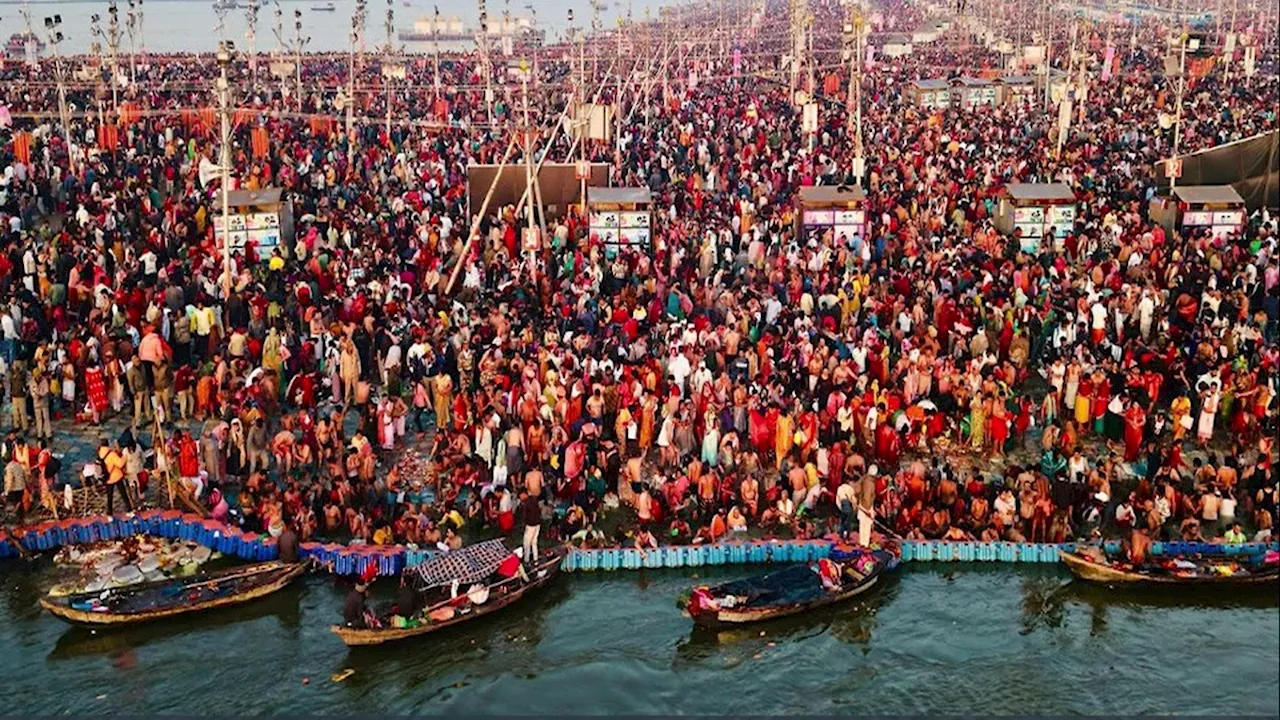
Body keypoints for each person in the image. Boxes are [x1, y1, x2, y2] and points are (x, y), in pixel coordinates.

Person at [519, 488, 541, 564]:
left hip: (530, 525)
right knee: (534, 542)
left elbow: (524, 516)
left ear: (524, 494)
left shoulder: (526, 503)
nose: (520, 498)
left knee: (526, 543)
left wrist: (524, 523)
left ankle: (526, 560)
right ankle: (536, 559)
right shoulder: (534, 499)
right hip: (537, 524)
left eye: (520, 496)